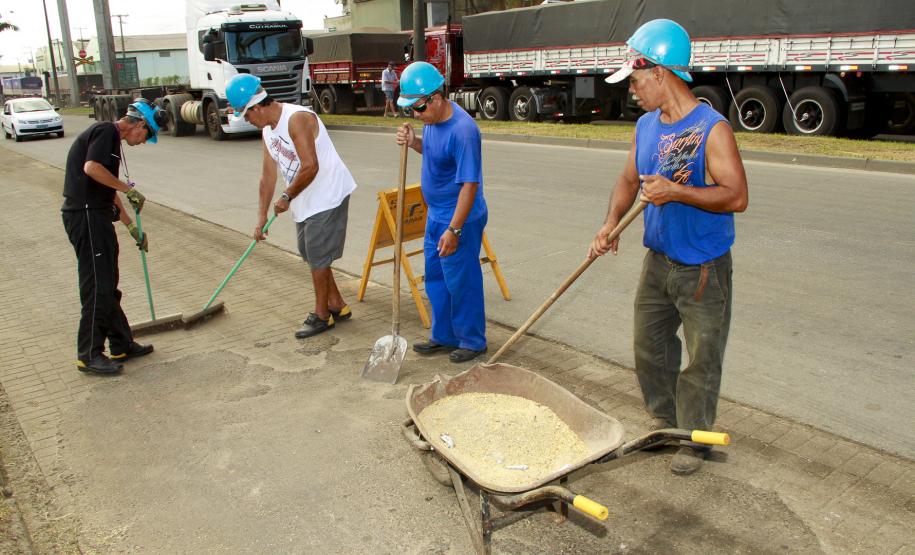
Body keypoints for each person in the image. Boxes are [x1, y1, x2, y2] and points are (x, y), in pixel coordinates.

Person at [590, 19, 749, 475]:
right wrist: (611, 224)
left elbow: (737, 196)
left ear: (660, 72)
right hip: (657, 262)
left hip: (702, 267)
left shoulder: (712, 129)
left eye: (637, 80)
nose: (633, 90)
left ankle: (694, 439)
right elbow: (627, 181)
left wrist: (677, 191)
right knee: (650, 348)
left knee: (701, 358)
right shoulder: (645, 126)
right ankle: (663, 423)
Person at [226, 73, 357, 339]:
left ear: (257, 106)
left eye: (247, 115)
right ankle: (337, 304)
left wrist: (286, 196)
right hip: (304, 196)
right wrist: (261, 216)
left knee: (318, 254)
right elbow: (267, 176)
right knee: (309, 251)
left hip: (327, 192)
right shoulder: (267, 131)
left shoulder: (297, 119)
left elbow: (311, 166)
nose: (248, 121)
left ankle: (322, 316)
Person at [61, 99, 166, 374]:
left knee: (108, 284)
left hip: (95, 215)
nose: (144, 141)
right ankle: (89, 354)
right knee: (98, 286)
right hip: (85, 217)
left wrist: (132, 226)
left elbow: (107, 189)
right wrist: (128, 189)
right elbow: (92, 169)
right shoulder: (107, 131)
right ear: (140, 124)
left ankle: (121, 343)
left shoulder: (112, 143)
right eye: (148, 134)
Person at [395, 61, 488, 364]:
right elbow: (437, 154)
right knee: (436, 277)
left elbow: (469, 186)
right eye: (410, 110)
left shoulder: (463, 131)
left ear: (435, 98)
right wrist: (414, 142)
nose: (415, 115)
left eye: (418, 109)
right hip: (436, 214)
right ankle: (444, 335)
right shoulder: (431, 122)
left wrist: (455, 229)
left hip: (459, 218)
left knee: (462, 280)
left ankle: (472, 340)